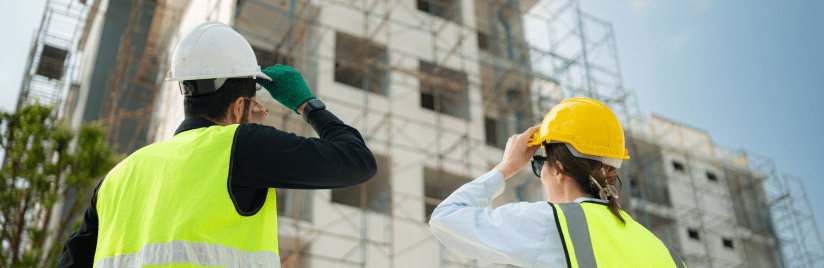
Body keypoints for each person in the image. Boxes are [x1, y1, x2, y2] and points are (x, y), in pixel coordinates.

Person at [57, 21, 377, 267]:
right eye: (251, 109)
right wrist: (308, 105)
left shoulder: (116, 179)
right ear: (239, 107)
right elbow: (357, 161)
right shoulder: (238, 146)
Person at [429, 97, 686, 268]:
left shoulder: (552, 222)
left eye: (539, 166)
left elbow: (445, 218)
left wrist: (506, 167)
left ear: (559, 169)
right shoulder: (663, 251)